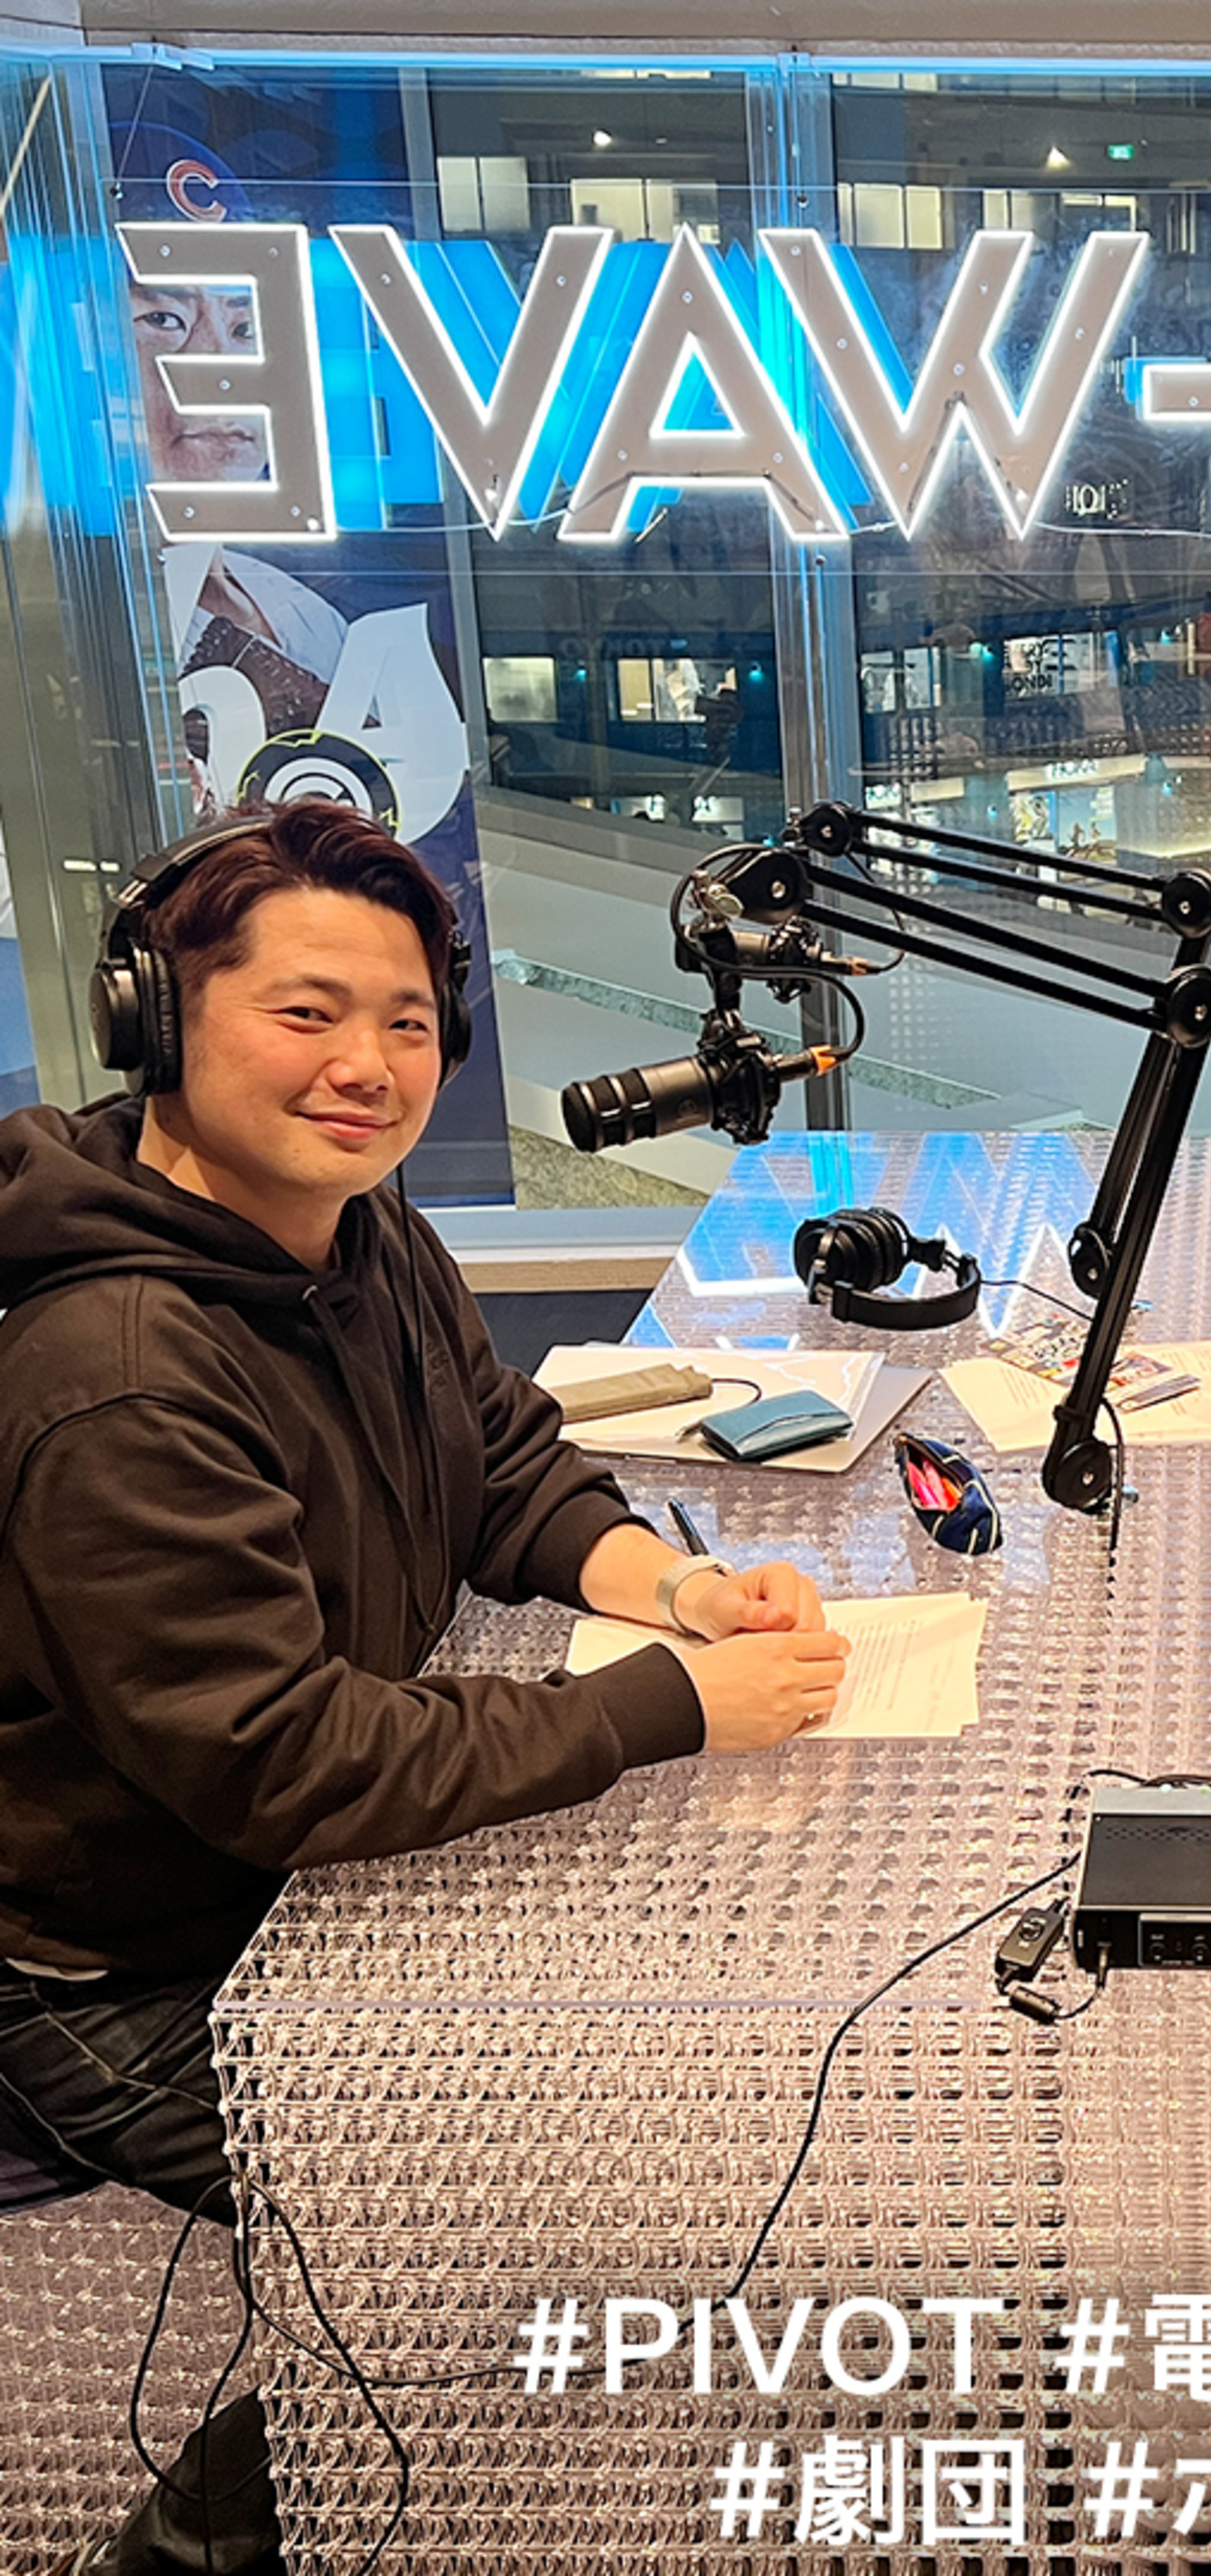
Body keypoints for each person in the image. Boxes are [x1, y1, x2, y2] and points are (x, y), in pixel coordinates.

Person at [0, 799, 850, 2574]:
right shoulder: (119, 1375)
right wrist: (671, 1708)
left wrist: (677, 1588)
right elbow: (290, 1761)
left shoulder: (353, 1229)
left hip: (294, 1877)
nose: (367, 1066)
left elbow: (502, 1460)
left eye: (405, 1021)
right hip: (122, 1953)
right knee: (484, 2232)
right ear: (157, 1016)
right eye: (304, 1013)